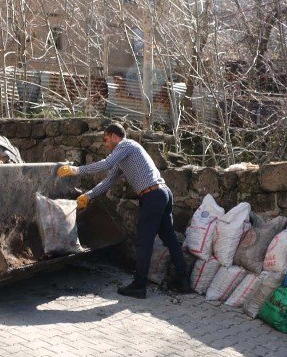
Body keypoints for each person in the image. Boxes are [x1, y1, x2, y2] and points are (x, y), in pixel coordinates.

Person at [58, 122, 192, 298]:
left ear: (114, 136)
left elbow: (106, 164)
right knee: (170, 238)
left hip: (153, 196)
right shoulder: (123, 157)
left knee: (144, 242)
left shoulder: (127, 145)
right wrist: (89, 196)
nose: (106, 145)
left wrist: (76, 170)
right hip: (161, 194)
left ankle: (139, 285)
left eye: (106, 140)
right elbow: (108, 180)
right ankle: (183, 282)